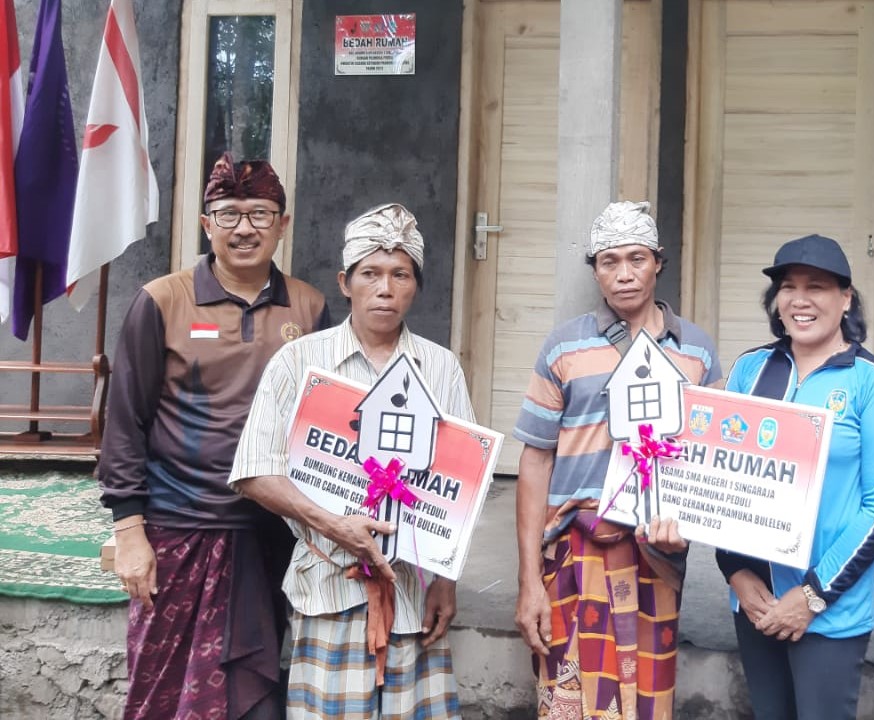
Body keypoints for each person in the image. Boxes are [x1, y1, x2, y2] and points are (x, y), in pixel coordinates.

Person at [97, 152, 330, 719]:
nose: (244, 228)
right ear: (207, 225)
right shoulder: (162, 301)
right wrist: (129, 531)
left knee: (256, 690)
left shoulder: (309, 306)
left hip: (272, 528)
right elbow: (125, 423)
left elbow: (324, 422)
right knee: (164, 688)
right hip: (180, 523)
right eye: (228, 214)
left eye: (259, 214)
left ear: (282, 223)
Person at [229, 203, 471, 719]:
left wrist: (445, 581)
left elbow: (459, 488)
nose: (385, 289)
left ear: (416, 286)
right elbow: (254, 472)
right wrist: (334, 525)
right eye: (370, 274)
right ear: (345, 283)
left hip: (410, 591)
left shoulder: (440, 368)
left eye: (400, 274)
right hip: (327, 587)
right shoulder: (299, 361)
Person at [512, 200, 723, 719]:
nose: (624, 274)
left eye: (636, 259)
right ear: (595, 270)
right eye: (609, 261)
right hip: (572, 554)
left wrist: (686, 526)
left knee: (646, 699)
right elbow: (535, 462)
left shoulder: (696, 351)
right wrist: (527, 581)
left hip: (654, 556)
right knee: (569, 700)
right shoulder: (564, 346)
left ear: (658, 262)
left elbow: (710, 462)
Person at [713, 234, 874, 719]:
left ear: (846, 299)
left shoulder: (870, 381)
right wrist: (735, 572)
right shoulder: (751, 369)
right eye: (788, 287)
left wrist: (813, 596)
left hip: (830, 607)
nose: (800, 299)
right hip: (756, 599)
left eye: (816, 287)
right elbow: (720, 480)